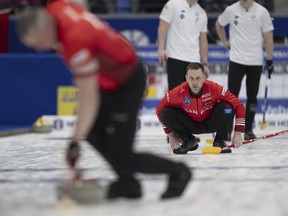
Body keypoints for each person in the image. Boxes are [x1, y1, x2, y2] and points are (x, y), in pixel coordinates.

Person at [17, 0, 191, 199]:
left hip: (128, 80)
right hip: (108, 79)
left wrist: (73, 143)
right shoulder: (57, 7)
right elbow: (80, 3)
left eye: (39, 43)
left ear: (47, 27)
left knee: (122, 154)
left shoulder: (75, 40)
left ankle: (178, 171)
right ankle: (128, 183)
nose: (40, 49)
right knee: (91, 130)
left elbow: (88, 97)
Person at [215, 0, 274, 140]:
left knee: (252, 97)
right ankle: (227, 130)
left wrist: (270, 60)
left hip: (255, 61)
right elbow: (219, 24)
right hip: (236, 59)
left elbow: (269, 37)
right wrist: (224, 42)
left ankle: (248, 129)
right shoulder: (230, 10)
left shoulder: (262, 11)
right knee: (231, 97)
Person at [156, 62, 245, 154]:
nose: (194, 83)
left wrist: (238, 132)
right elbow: (159, 110)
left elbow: (239, 106)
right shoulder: (178, 92)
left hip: (211, 123)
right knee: (164, 113)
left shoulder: (214, 88)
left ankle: (220, 140)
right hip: (190, 124)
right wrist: (170, 135)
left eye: (198, 78)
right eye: (191, 78)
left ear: (203, 77)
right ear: (186, 78)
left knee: (227, 107)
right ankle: (188, 140)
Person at [157, 0, 210, 91]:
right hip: (175, 57)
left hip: (194, 60)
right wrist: (161, 49)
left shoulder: (201, 13)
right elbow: (162, 26)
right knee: (175, 95)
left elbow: (203, 40)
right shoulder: (173, 4)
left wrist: (205, 63)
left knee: (193, 96)